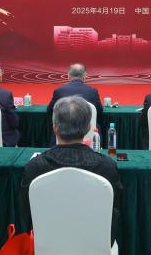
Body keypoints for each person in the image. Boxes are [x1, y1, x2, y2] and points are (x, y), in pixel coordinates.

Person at [20, 96, 122, 243]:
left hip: (46, 244)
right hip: (95, 243)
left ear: (55, 128)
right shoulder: (107, 167)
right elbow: (115, 209)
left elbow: (26, 211)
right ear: (88, 128)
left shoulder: (34, 167)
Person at [47, 63, 104, 134]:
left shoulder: (59, 91)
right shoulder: (93, 92)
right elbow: (99, 112)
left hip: (63, 133)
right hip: (88, 133)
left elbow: (50, 111)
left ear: (68, 76)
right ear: (84, 77)